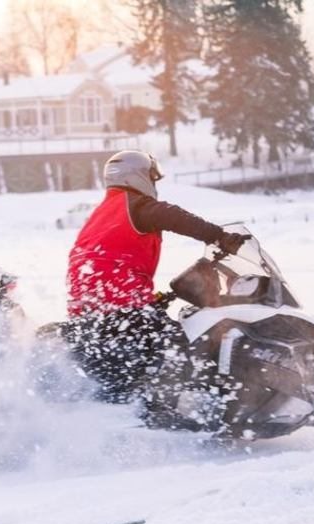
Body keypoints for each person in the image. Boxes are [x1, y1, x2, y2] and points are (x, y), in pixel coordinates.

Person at [64, 150, 249, 402]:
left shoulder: (101, 213)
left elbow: (107, 262)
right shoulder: (136, 206)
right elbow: (172, 216)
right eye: (151, 177)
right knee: (183, 346)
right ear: (137, 177)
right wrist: (218, 235)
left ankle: (149, 401)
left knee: (150, 348)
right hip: (120, 303)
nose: (153, 184)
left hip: (89, 308)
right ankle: (191, 409)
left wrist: (149, 302)